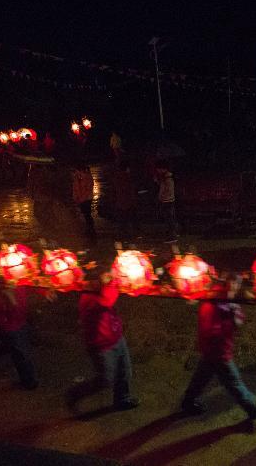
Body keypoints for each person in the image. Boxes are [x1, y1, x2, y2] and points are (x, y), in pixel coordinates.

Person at [182, 278, 256, 419]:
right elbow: (214, 332)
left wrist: (234, 311)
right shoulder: (213, 308)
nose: (235, 288)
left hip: (212, 352)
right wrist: (231, 318)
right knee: (233, 382)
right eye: (232, 285)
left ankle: (188, 402)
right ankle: (252, 409)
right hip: (219, 353)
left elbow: (238, 318)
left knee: (201, 378)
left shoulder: (219, 303)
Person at [68, 271, 139, 411]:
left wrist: (116, 280)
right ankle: (75, 394)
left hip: (117, 338)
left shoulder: (98, 292)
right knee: (106, 379)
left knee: (124, 372)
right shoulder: (88, 299)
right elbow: (107, 300)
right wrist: (111, 282)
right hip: (101, 346)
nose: (101, 283)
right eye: (98, 280)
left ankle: (122, 399)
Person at [0, 277, 39, 390]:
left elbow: (28, 284)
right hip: (8, 326)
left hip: (20, 320)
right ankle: (29, 382)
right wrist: (6, 300)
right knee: (20, 353)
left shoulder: (13, 276)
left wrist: (44, 290)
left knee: (16, 346)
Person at [154, 162, 178, 243]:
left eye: (159, 169)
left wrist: (161, 197)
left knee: (169, 219)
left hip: (167, 201)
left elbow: (167, 190)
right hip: (167, 200)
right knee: (169, 218)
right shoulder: (166, 177)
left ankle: (172, 237)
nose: (158, 171)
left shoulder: (168, 178)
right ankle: (172, 235)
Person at [71, 164, 95, 236]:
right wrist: (76, 197)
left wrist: (81, 198)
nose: (76, 172)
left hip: (86, 199)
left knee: (87, 214)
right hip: (82, 199)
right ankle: (88, 228)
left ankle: (90, 228)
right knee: (85, 214)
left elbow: (87, 190)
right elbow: (75, 189)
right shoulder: (78, 178)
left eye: (77, 171)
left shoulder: (86, 178)